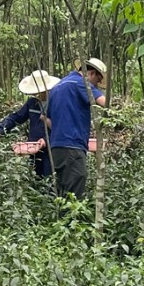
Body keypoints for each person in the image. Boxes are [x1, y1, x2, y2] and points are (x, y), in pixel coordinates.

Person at [43, 58, 108, 200]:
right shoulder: (82, 83)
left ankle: (60, 214)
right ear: (91, 73)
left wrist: (61, 128)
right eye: (97, 81)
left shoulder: (57, 86)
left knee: (62, 191)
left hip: (56, 146)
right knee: (75, 188)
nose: (96, 85)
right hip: (73, 145)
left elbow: (44, 117)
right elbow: (105, 103)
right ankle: (70, 215)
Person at [0, 70, 56, 180]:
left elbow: (61, 127)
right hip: (34, 149)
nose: (38, 95)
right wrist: (0, 130)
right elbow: (16, 117)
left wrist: (46, 141)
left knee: (49, 181)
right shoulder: (32, 103)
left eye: (41, 92)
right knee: (35, 181)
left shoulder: (56, 103)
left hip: (52, 151)